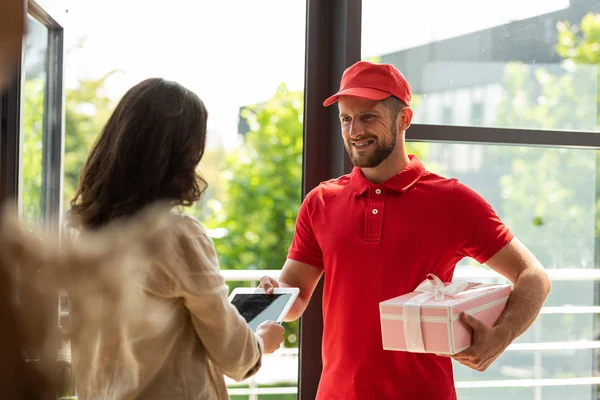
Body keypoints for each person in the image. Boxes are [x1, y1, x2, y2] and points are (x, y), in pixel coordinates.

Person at [260, 61, 552, 400]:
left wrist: (500, 336)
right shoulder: (321, 202)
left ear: (404, 119)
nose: (354, 130)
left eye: (368, 116)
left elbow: (534, 276)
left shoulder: (452, 201)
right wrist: (271, 296)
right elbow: (294, 296)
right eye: (346, 118)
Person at [67, 78, 285, 400]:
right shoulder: (177, 235)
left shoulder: (82, 234)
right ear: (179, 156)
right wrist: (262, 340)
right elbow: (234, 353)